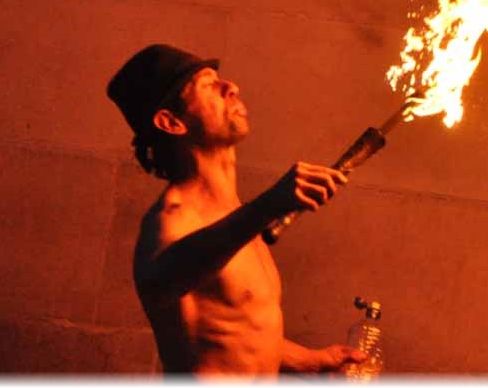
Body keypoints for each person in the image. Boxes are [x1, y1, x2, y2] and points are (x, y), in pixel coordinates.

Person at [106, 43, 367, 377]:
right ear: (171, 122)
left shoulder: (233, 216)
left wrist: (311, 361)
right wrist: (270, 204)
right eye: (210, 86)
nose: (232, 87)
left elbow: (236, 332)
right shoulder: (173, 218)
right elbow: (159, 282)